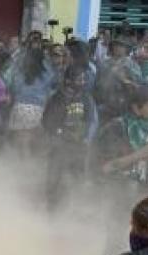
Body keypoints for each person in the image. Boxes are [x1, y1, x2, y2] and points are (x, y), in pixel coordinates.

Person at [42, 66, 98, 211]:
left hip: (79, 146)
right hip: (59, 146)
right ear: (68, 81)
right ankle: (52, 209)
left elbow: (91, 120)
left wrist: (86, 139)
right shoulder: (57, 98)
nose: (83, 82)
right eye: (79, 79)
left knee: (78, 178)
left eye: (84, 79)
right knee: (54, 179)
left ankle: (76, 210)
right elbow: (47, 122)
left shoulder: (86, 97)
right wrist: (59, 133)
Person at [5, 31, 57, 155]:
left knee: (20, 142)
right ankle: (28, 168)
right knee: (31, 142)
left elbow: (10, 82)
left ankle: (16, 166)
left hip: (19, 107)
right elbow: (51, 83)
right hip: (37, 109)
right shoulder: (46, 66)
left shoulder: (20, 64)